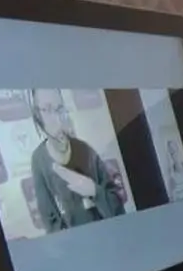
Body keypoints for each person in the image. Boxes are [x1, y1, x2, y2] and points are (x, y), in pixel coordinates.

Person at [28, 88, 125, 233]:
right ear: (37, 115)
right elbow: (51, 222)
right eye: (47, 110)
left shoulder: (86, 150)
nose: (57, 118)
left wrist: (93, 190)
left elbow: (117, 209)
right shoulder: (39, 161)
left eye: (59, 109)